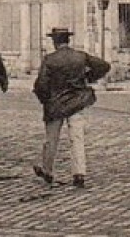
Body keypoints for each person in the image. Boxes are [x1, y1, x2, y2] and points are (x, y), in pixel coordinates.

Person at [32, 26, 110, 189]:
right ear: (68, 40)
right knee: (77, 138)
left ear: (54, 41)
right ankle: (79, 174)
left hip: (55, 104)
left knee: (51, 139)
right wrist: (88, 77)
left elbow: (41, 84)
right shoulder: (80, 57)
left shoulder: (50, 59)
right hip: (76, 102)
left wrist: (44, 99)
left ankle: (48, 171)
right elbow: (103, 66)